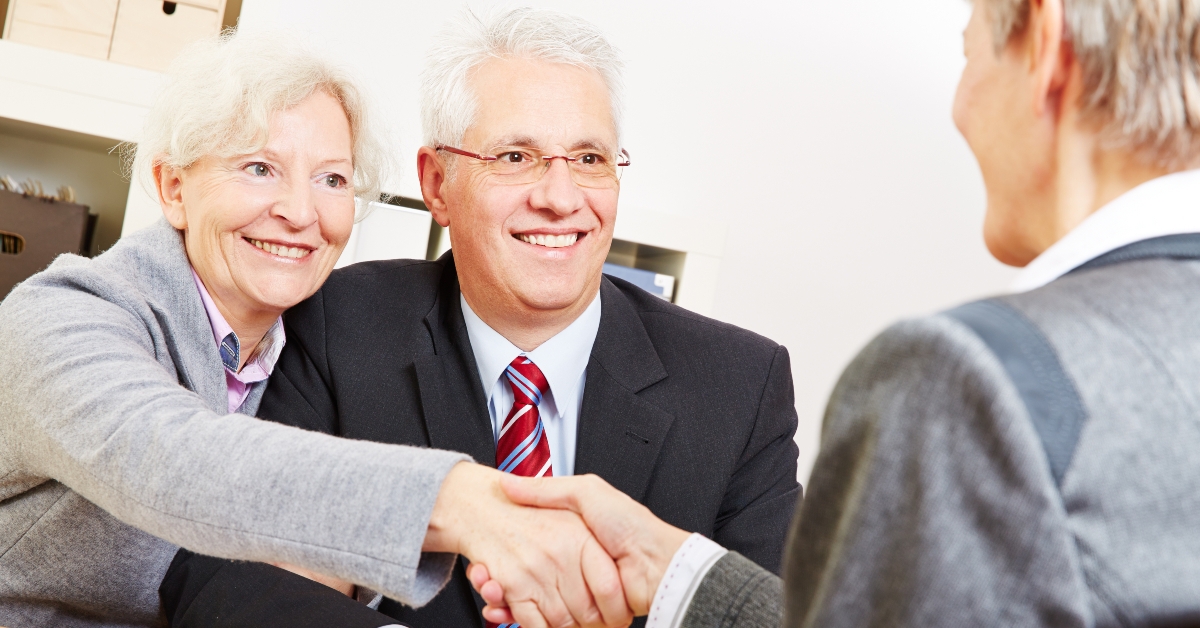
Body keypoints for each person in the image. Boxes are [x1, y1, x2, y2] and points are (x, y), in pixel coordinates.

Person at [472, 0, 1200, 626]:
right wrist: (680, 575)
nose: (960, 107)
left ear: (1046, 45)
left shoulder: (974, 375)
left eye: (969, 54)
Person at [159, 7, 802, 628]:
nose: (560, 198)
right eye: (515, 157)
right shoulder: (337, 323)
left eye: (588, 159)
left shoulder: (741, 385)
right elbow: (226, 581)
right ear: (437, 183)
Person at [0, 31, 627, 628]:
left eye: (331, 179)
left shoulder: (312, 345)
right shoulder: (61, 320)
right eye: (259, 168)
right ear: (173, 187)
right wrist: (463, 503)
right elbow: (178, 461)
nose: (301, 213)